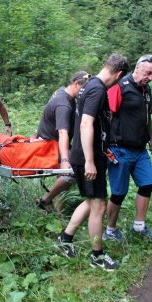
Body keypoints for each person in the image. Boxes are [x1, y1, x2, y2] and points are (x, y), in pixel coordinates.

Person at [57, 54, 129, 271]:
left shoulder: (88, 85)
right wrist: (90, 161)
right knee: (98, 205)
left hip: (88, 155)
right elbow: (86, 124)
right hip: (88, 157)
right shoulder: (97, 89)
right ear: (119, 74)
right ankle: (97, 256)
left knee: (91, 201)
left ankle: (65, 239)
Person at [102, 54, 152, 241]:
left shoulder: (146, 90)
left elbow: (147, 116)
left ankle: (139, 226)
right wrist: (105, 146)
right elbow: (108, 116)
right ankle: (110, 230)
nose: (150, 77)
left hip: (140, 150)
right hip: (119, 149)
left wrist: (151, 138)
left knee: (147, 184)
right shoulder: (119, 87)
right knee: (119, 193)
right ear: (137, 69)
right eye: (148, 73)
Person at [36, 71, 91, 212]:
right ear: (75, 84)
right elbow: (63, 132)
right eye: (84, 89)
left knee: (81, 161)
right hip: (49, 146)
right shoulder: (64, 105)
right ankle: (45, 200)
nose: (85, 93)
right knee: (73, 170)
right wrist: (65, 159)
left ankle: (58, 202)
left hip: (51, 142)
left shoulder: (62, 92)